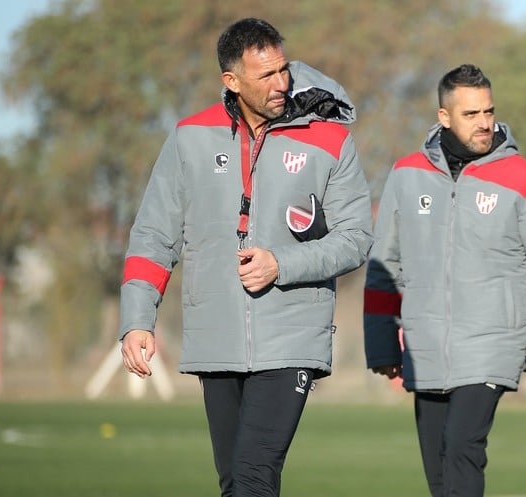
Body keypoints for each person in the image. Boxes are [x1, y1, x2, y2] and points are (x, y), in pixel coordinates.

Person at [119, 18, 373, 497]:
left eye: (282, 70)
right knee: (236, 480)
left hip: (292, 337)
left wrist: (282, 263)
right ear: (231, 82)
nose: (281, 84)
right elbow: (153, 235)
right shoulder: (189, 138)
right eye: (265, 76)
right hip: (216, 338)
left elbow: (357, 238)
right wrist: (137, 320)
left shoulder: (330, 139)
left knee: (254, 477)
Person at [363, 64, 526, 497]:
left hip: (492, 345)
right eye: (471, 114)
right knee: (438, 469)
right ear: (444, 117)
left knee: (462, 447)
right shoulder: (405, 175)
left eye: (489, 111)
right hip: (424, 348)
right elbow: (384, 265)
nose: (484, 123)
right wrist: (381, 343)